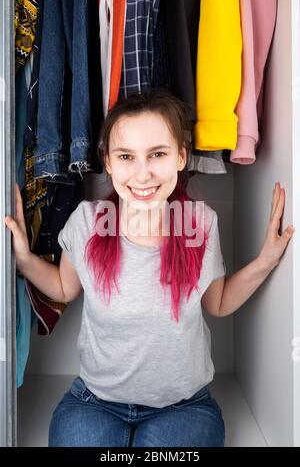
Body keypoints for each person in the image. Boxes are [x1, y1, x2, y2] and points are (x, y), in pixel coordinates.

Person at [5, 92, 294, 447]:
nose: (143, 173)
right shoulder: (87, 222)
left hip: (183, 407)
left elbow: (218, 303)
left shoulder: (200, 224)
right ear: (108, 163)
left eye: (158, 154)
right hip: (94, 403)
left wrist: (266, 259)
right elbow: (64, 288)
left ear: (180, 158)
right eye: (126, 156)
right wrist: (22, 257)